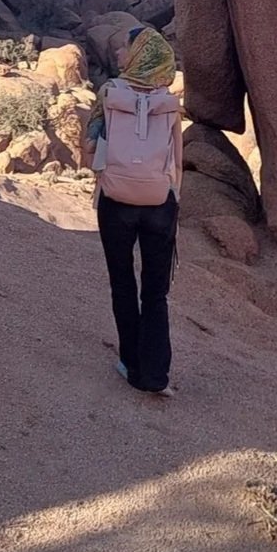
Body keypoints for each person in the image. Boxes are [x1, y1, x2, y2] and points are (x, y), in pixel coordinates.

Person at [84, 25, 183, 396]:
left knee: (123, 281)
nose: (119, 54)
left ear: (139, 53)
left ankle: (132, 364)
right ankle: (155, 376)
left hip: (116, 200)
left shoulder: (110, 92)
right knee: (155, 293)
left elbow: (89, 147)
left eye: (125, 47)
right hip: (160, 202)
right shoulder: (169, 101)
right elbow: (175, 156)